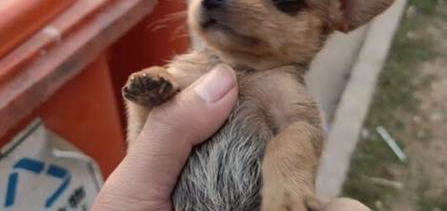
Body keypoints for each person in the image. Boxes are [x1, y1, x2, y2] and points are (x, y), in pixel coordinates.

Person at [92, 65, 367, 211]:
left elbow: (305, 132)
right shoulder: (194, 68)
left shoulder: (288, 93)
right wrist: (155, 95)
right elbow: (145, 138)